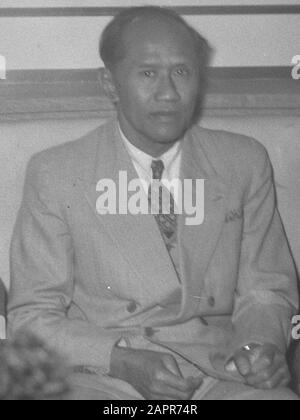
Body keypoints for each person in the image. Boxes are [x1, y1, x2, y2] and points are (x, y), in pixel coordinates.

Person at [8, 6, 299, 400]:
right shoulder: (56, 173)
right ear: (110, 84)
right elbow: (31, 317)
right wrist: (118, 359)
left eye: (182, 72)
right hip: (101, 376)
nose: (168, 92)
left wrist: (259, 347)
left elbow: (267, 289)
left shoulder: (244, 162)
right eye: (148, 73)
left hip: (219, 373)